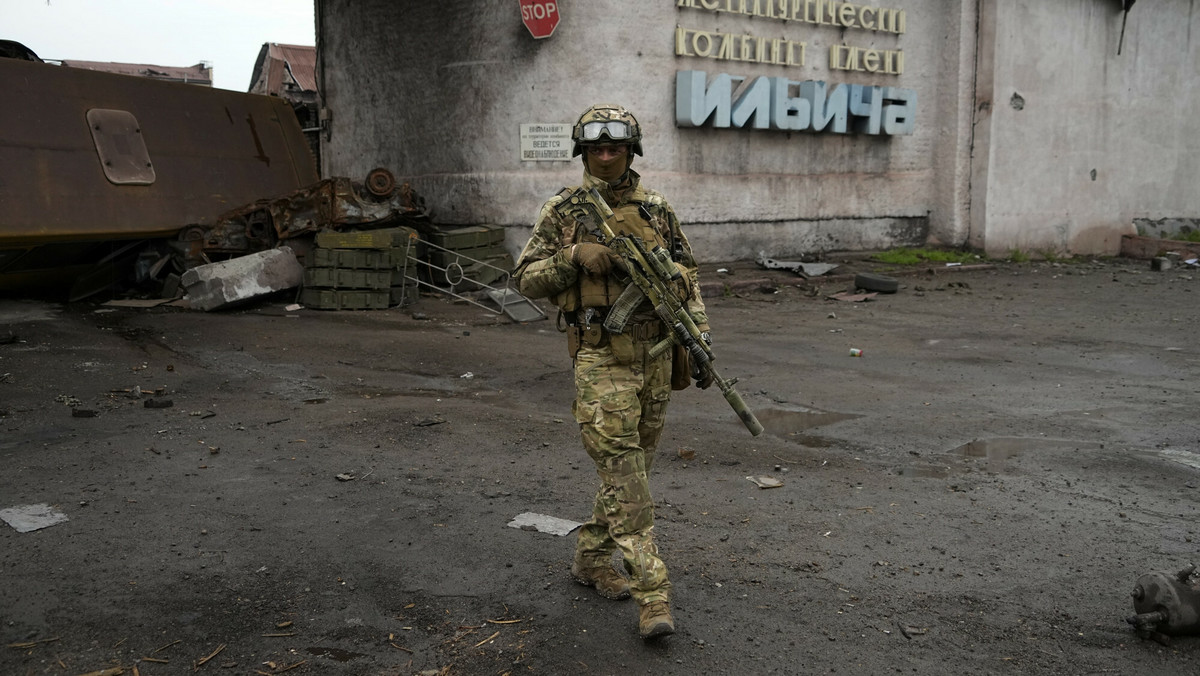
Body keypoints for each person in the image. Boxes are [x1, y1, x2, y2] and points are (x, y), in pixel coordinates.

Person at [512, 103, 712, 639]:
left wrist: (700, 338)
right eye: (596, 147)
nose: (606, 155)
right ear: (583, 151)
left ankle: (589, 559)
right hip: (600, 355)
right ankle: (653, 594)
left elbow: (686, 278)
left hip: (655, 355)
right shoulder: (563, 210)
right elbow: (524, 279)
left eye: (615, 147)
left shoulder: (657, 209)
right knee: (626, 473)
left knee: (631, 470)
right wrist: (573, 256)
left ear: (631, 149)